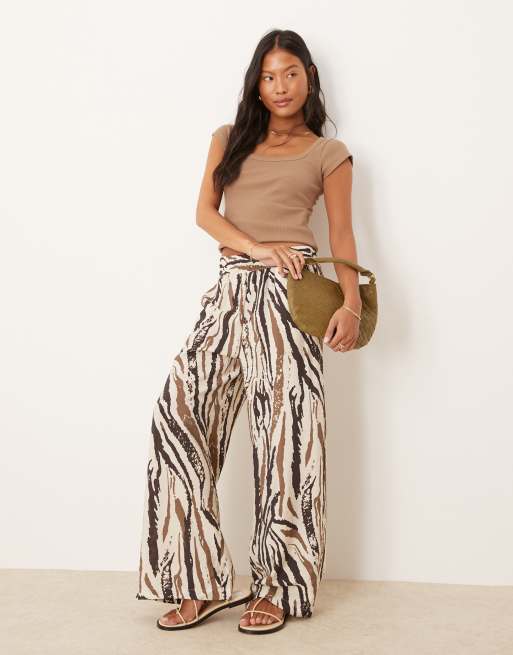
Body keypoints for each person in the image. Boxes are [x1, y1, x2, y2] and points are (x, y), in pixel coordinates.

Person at [135, 29, 362, 635]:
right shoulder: (228, 138)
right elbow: (205, 214)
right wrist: (255, 247)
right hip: (231, 290)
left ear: (309, 77)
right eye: (268, 76)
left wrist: (351, 305)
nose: (280, 86)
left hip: (291, 295)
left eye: (290, 73)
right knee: (177, 419)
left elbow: (343, 234)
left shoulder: (328, 153)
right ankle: (196, 581)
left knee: (287, 441)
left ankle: (278, 588)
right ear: (255, 85)